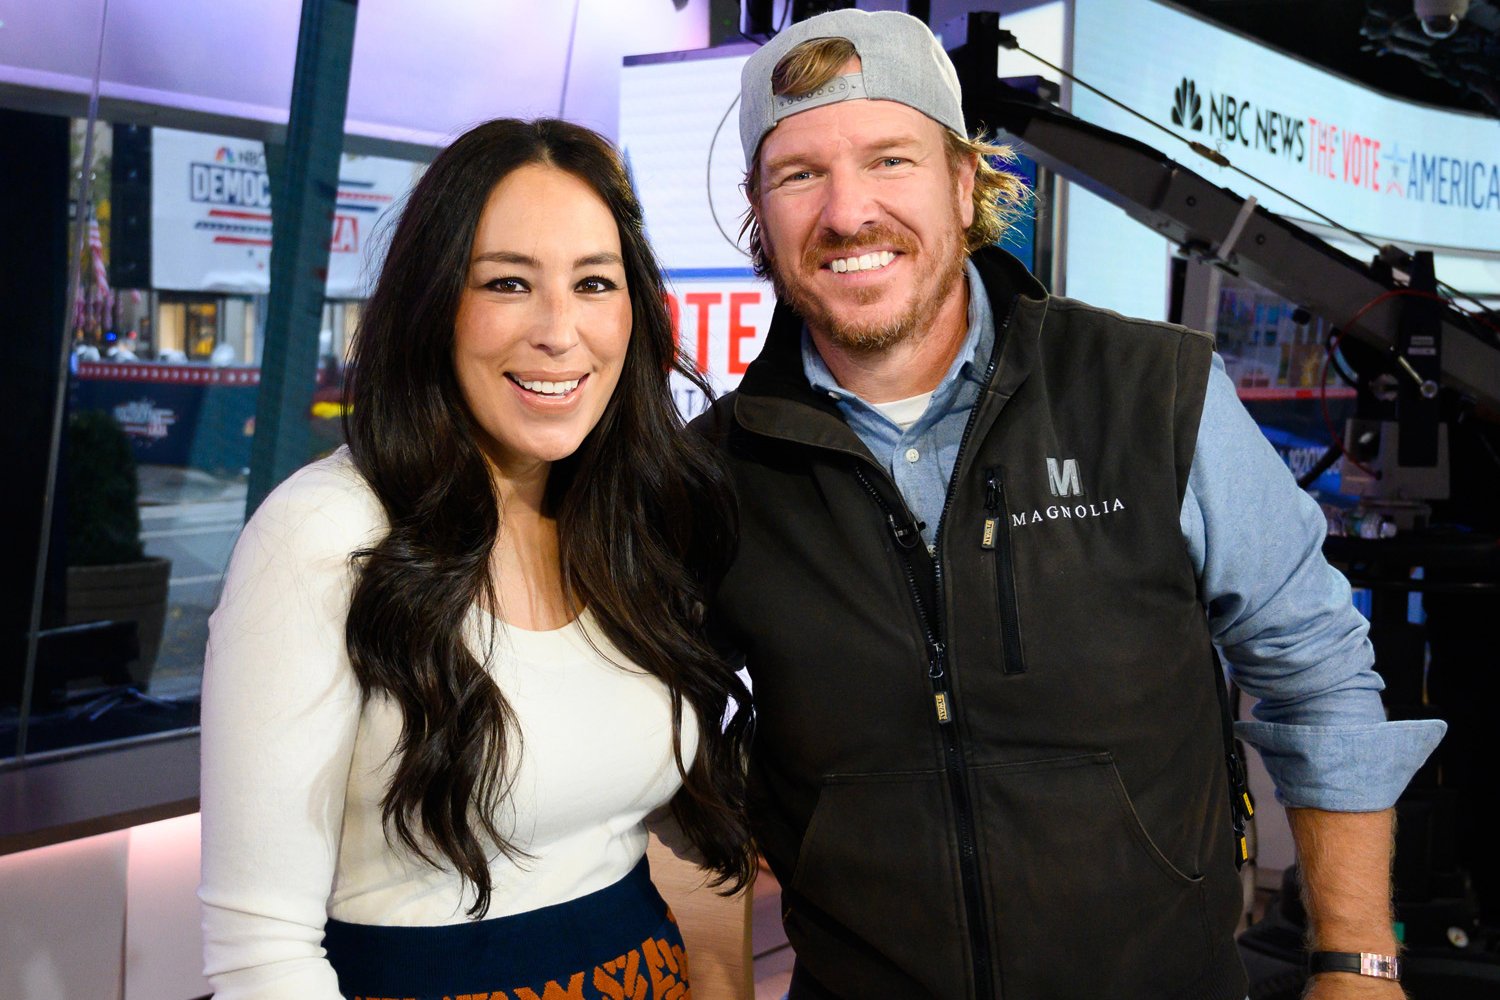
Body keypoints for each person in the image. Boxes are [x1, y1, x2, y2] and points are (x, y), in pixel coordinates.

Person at [694, 10, 1445, 1000]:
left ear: (966, 183)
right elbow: (647, 753)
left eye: (890, 159)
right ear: (759, 207)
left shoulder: (1148, 391)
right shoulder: (712, 477)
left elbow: (1315, 664)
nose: (848, 212)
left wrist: (1357, 960)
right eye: (799, 175)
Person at [199, 118, 752, 1000]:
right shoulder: (322, 534)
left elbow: (685, 837)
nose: (558, 332)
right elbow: (261, 952)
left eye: (593, 283)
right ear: (431, 307)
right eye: (507, 283)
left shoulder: (632, 519)